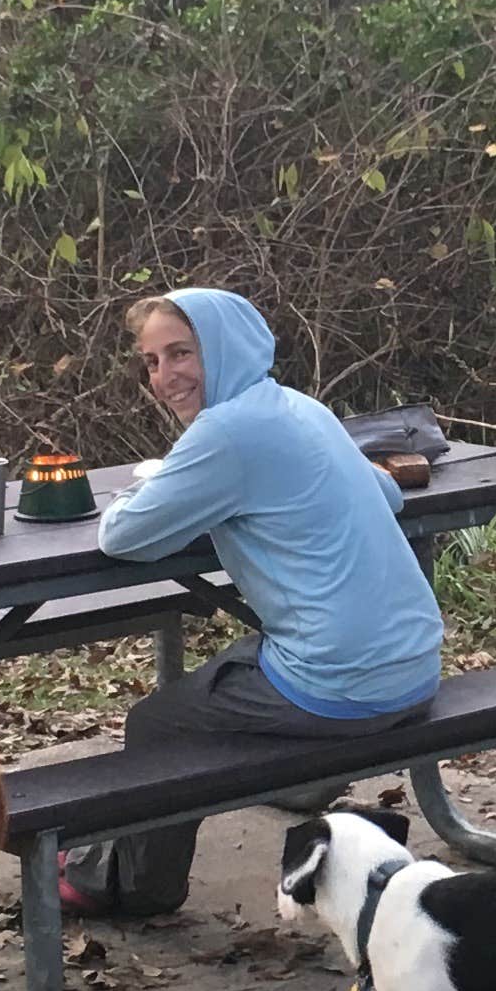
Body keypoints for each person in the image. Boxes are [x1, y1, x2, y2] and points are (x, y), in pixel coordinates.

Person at [57, 288, 445, 918]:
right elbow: (390, 495)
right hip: (414, 665)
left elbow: (122, 537)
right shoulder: (298, 406)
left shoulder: (228, 433)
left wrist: (152, 487)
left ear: (225, 347)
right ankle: (114, 854)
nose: (164, 376)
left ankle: (130, 887)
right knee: (235, 663)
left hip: (345, 684)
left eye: (181, 353)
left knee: (158, 726)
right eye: (151, 361)